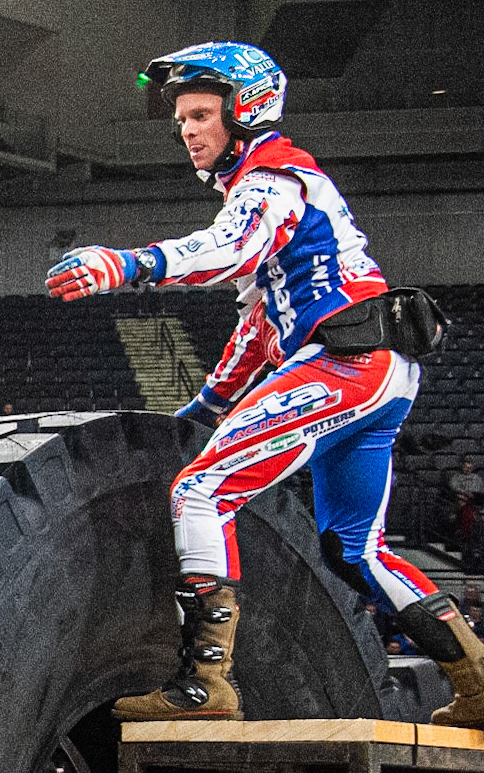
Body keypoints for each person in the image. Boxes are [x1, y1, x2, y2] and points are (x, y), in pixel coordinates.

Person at [45, 40, 476, 723]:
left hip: (346, 364)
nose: (185, 129)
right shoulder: (269, 181)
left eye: (198, 113)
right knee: (352, 547)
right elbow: (257, 327)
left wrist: (128, 264)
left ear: (242, 110)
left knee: (199, 490)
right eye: (180, 117)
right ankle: (476, 677)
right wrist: (203, 407)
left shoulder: (270, 177)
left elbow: (231, 248)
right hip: (378, 371)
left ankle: (204, 683)